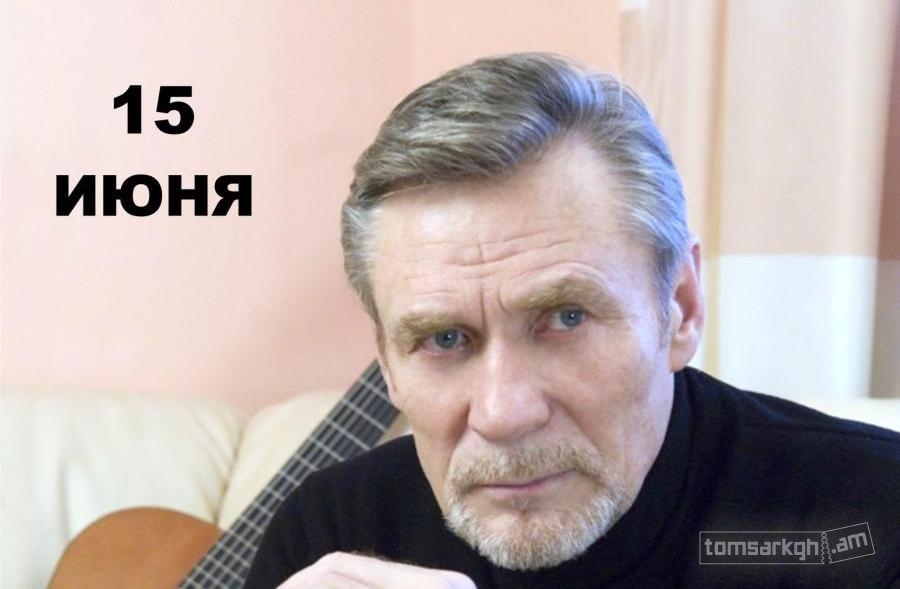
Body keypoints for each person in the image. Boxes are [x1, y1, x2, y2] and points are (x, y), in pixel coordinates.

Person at [245, 53, 900, 588]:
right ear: (387, 362)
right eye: (444, 339)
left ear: (680, 307)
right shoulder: (329, 531)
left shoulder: (868, 517)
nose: (503, 413)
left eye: (565, 317)